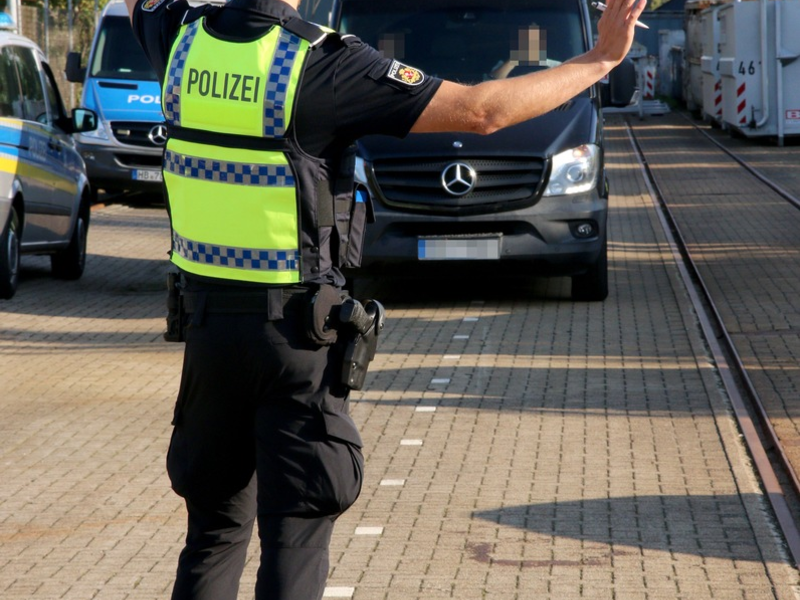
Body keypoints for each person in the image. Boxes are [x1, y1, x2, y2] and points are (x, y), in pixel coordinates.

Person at [124, 0, 646, 598]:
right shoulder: (317, 64)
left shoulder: (179, 40)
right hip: (293, 339)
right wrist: (601, 57)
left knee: (213, 533)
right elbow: (482, 112)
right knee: (294, 536)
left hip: (207, 332)